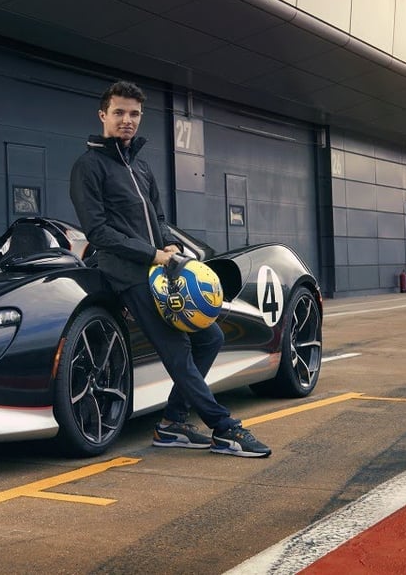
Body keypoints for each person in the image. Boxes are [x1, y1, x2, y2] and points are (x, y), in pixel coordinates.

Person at [69, 80, 271, 458]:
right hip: (126, 275)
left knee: (211, 338)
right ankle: (225, 429)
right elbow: (98, 232)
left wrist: (170, 244)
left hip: (160, 272)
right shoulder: (88, 167)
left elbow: (158, 219)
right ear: (103, 115)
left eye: (134, 114)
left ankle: (173, 422)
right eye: (119, 113)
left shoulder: (140, 167)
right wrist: (152, 255)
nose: (127, 120)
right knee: (177, 350)